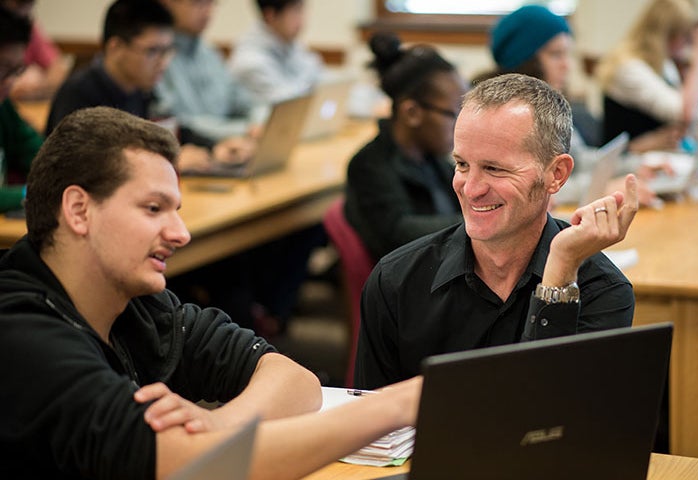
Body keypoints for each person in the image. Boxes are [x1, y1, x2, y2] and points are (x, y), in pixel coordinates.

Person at [0, 105, 422, 479]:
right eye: (153, 209)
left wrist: (219, 426)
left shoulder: (138, 303)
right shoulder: (20, 332)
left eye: (176, 212)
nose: (180, 233)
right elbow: (190, 466)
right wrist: (392, 407)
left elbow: (295, 381)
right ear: (78, 210)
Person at [355, 73, 639, 389]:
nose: (471, 189)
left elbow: (544, 422)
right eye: (462, 165)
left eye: (494, 169)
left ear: (556, 174)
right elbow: (368, 421)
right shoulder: (396, 282)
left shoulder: (601, 290)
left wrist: (559, 273)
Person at [487, 4, 675, 207]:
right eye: (556, 54)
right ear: (525, 60)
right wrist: (603, 189)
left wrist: (635, 167)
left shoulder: (549, 107)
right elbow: (532, 189)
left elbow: (578, 160)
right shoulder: (503, 116)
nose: (567, 65)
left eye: (567, 54)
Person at [45, 0, 252, 173]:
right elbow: (83, 168)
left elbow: (173, 129)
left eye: (167, 51)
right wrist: (169, 163)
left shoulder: (141, 91)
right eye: (153, 51)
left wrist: (217, 146)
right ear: (115, 48)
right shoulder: (79, 94)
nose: (163, 62)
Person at [344, 32, 464, 260]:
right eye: (453, 114)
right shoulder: (369, 165)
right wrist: (483, 225)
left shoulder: (434, 159)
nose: (461, 124)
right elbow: (397, 232)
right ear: (412, 113)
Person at [595, 0, 698, 145]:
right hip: (625, 162)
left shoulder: (664, 64)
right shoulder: (628, 68)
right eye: (685, 36)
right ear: (667, 33)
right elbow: (687, 114)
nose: (687, 43)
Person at [155, 0, 260, 142]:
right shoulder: (157, 57)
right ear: (167, 3)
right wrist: (243, 130)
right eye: (199, 3)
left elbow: (243, 101)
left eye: (212, 3)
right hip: (188, 152)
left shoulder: (208, 52)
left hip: (230, 145)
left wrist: (258, 124)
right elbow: (178, 122)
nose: (208, 11)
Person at [229, 0, 324, 105]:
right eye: (295, 11)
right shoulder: (250, 62)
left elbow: (318, 76)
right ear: (270, 15)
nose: (302, 20)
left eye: (302, 10)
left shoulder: (289, 44)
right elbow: (287, 105)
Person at [0, 5, 42, 212]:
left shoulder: (3, 106)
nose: (9, 82)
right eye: (2, 69)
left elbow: (38, 152)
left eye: (16, 70)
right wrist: (32, 193)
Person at [2, 0, 69, 101]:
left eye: (17, 71)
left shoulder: (27, 30)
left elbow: (58, 68)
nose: (10, 81)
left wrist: (36, 89)